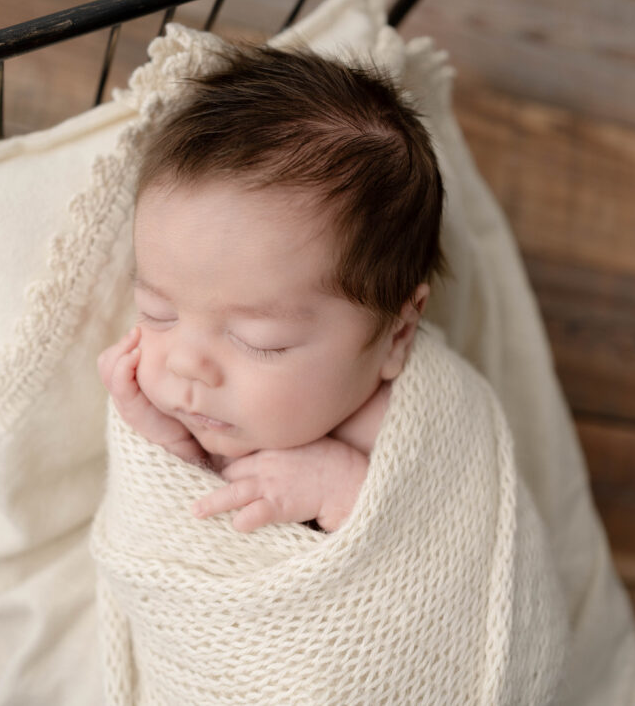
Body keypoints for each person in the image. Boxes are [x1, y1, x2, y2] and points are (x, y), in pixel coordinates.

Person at [98, 43, 444, 533]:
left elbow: (440, 565)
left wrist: (347, 492)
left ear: (398, 334)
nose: (183, 364)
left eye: (262, 341)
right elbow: (173, 532)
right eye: (157, 312)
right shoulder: (216, 409)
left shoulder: (410, 430)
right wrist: (167, 447)